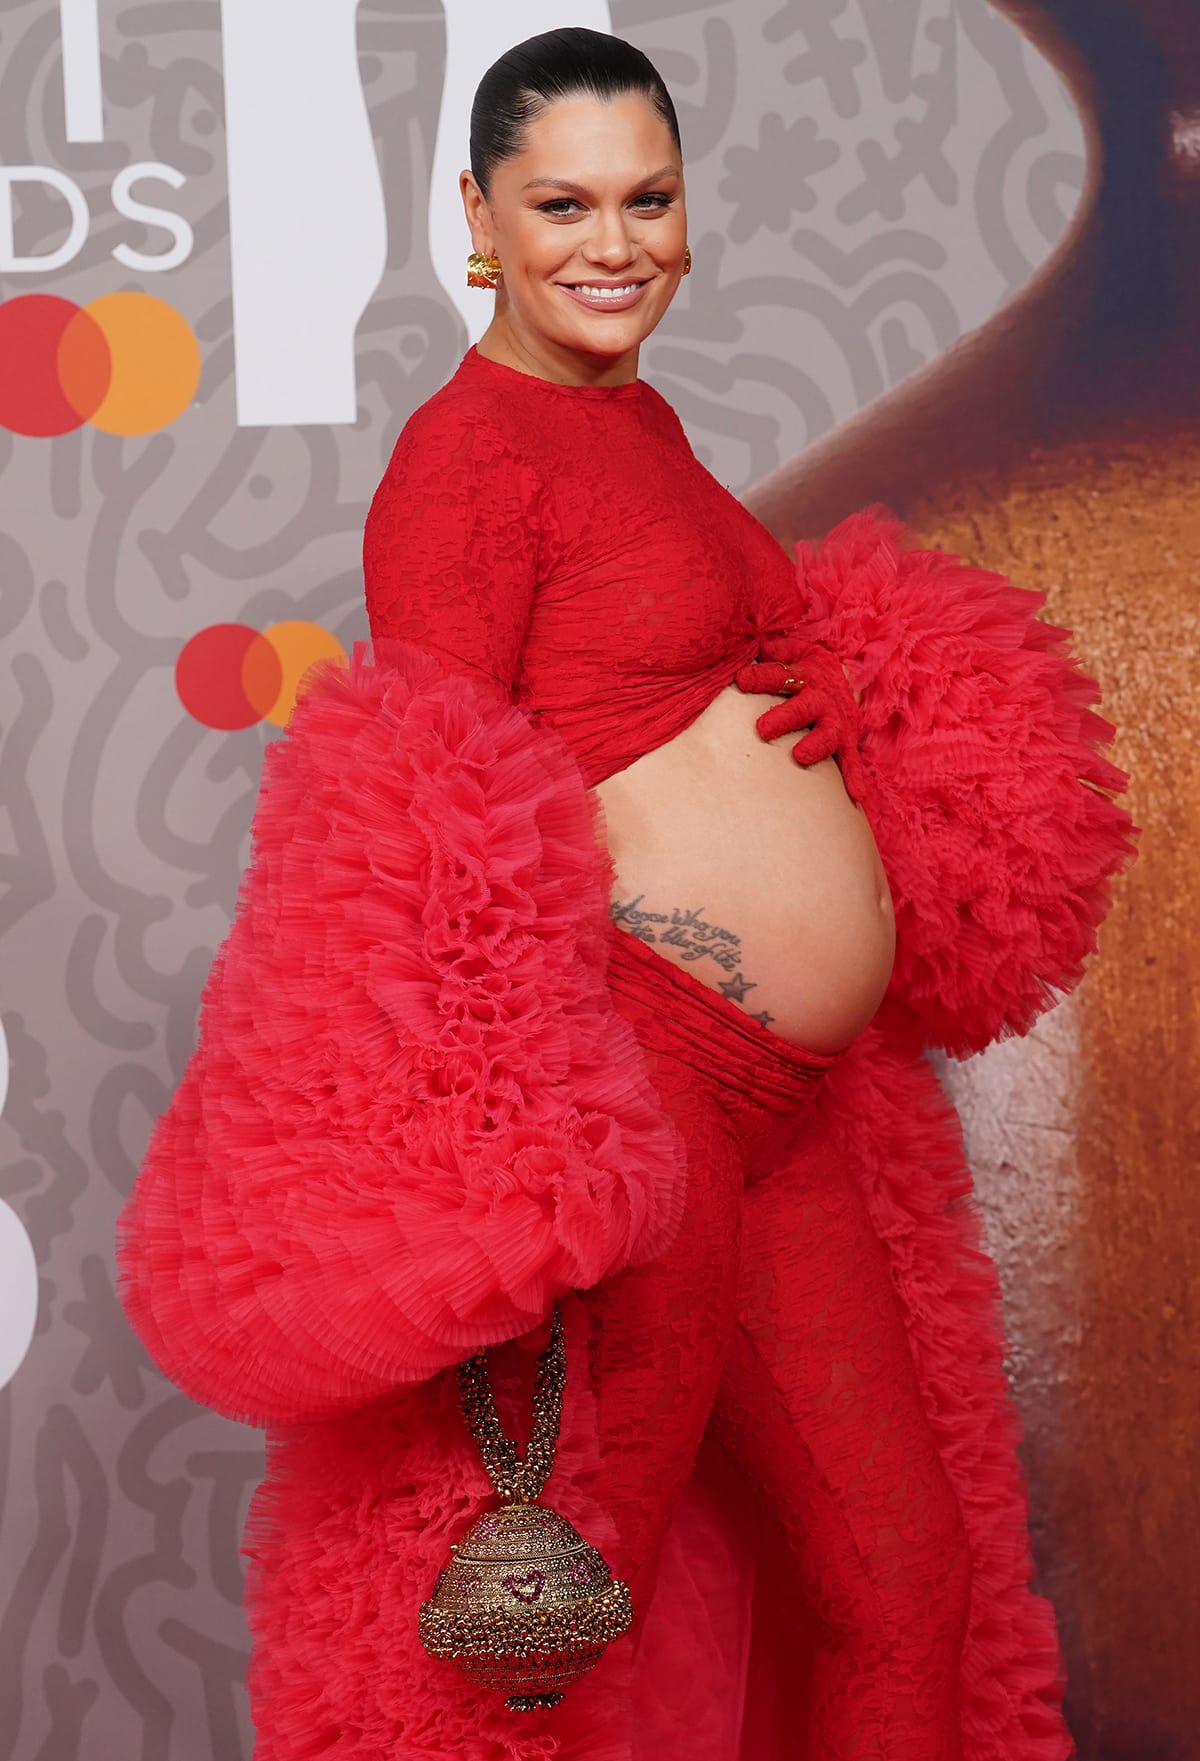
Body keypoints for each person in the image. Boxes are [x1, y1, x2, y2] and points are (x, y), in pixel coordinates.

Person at [115, 27, 1134, 1761]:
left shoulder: (636, 418)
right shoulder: (467, 463)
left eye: (648, 198)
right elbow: (432, 828)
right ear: (480, 219)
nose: (615, 243)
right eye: (564, 201)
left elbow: (659, 677)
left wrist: (830, 684)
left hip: (786, 1109)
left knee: (902, 1580)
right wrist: (532, 1140)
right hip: (648, 1103)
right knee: (567, 1605)